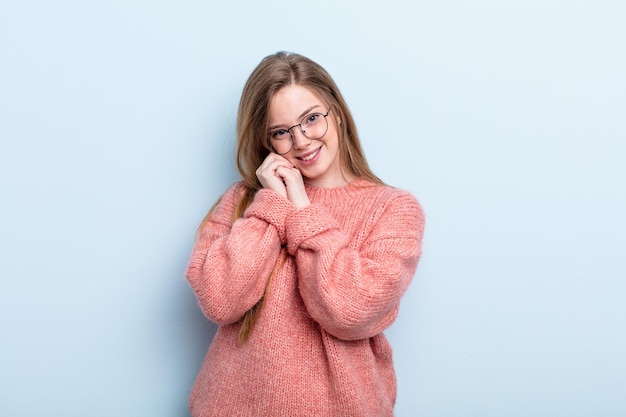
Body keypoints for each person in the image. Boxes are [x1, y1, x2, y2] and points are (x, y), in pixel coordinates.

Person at [185, 51, 425, 417]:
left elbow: (347, 310)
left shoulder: (393, 209)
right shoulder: (243, 201)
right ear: (268, 142)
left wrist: (301, 210)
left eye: (312, 119)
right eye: (281, 132)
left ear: (338, 115)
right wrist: (271, 206)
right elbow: (220, 300)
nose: (300, 141)